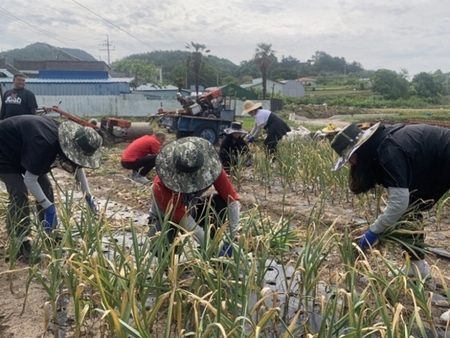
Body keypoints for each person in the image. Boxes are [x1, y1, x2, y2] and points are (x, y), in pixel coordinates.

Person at [330, 122, 450, 277]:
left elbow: (398, 203)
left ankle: (417, 266)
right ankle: (416, 266)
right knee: (411, 210)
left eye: (349, 158)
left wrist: (373, 232)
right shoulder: (381, 145)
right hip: (438, 164)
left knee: (406, 208)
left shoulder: (388, 153)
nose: (350, 163)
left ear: (358, 150)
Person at [0, 115, 103, 262]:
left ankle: (50, 234)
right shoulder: (45, 144)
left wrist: (88, 196)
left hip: (23, 147)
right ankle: (20, 245)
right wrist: (48, 207)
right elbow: (30, 180)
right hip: (3, 151)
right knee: (19, 192)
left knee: (46, 188)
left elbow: (78, 167)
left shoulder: (70, 139)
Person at [148, 136, 240, 256]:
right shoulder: (161, 185)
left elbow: (232, 200)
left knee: (220, 204)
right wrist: (209, 247)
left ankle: (211, 254)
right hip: (166, 218)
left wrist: (230, 239)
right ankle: (170, 264)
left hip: (192, 208)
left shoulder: (212, 168)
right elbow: (184, 220)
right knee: (161, 246)